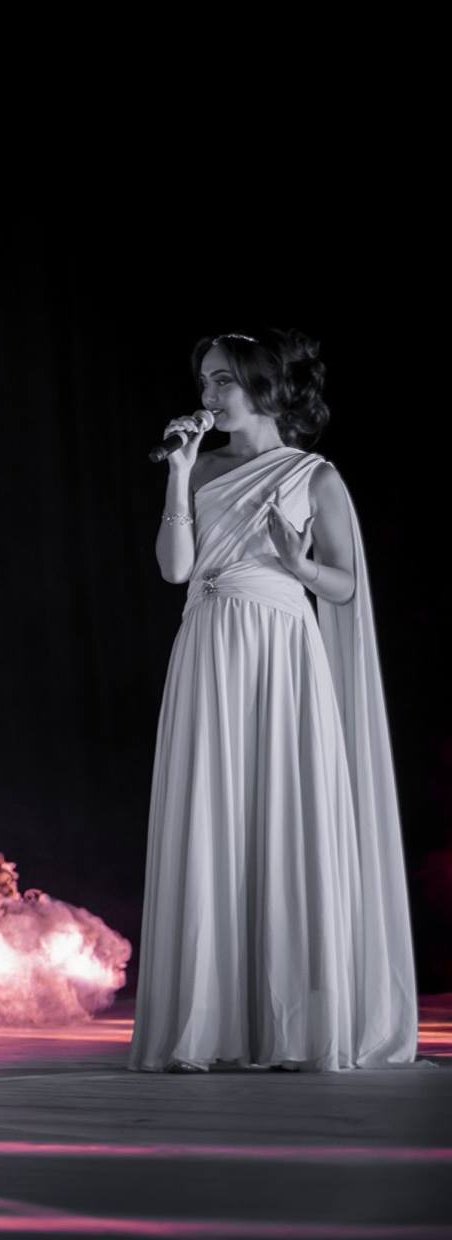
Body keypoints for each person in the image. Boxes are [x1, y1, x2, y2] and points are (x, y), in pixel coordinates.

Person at [130, 328, 416, 1073]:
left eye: (223, 380)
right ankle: (208, 1025)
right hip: (208, 644)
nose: (208, 395)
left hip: (282, 650)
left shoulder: (315, 476)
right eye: (205, 381)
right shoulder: (203, 467)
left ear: (264, 388)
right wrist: (179, 473)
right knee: (212, 811)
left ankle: (295, 1028)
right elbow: (175, 570)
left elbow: (345, 585)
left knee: (285, 808)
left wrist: (299, 564)